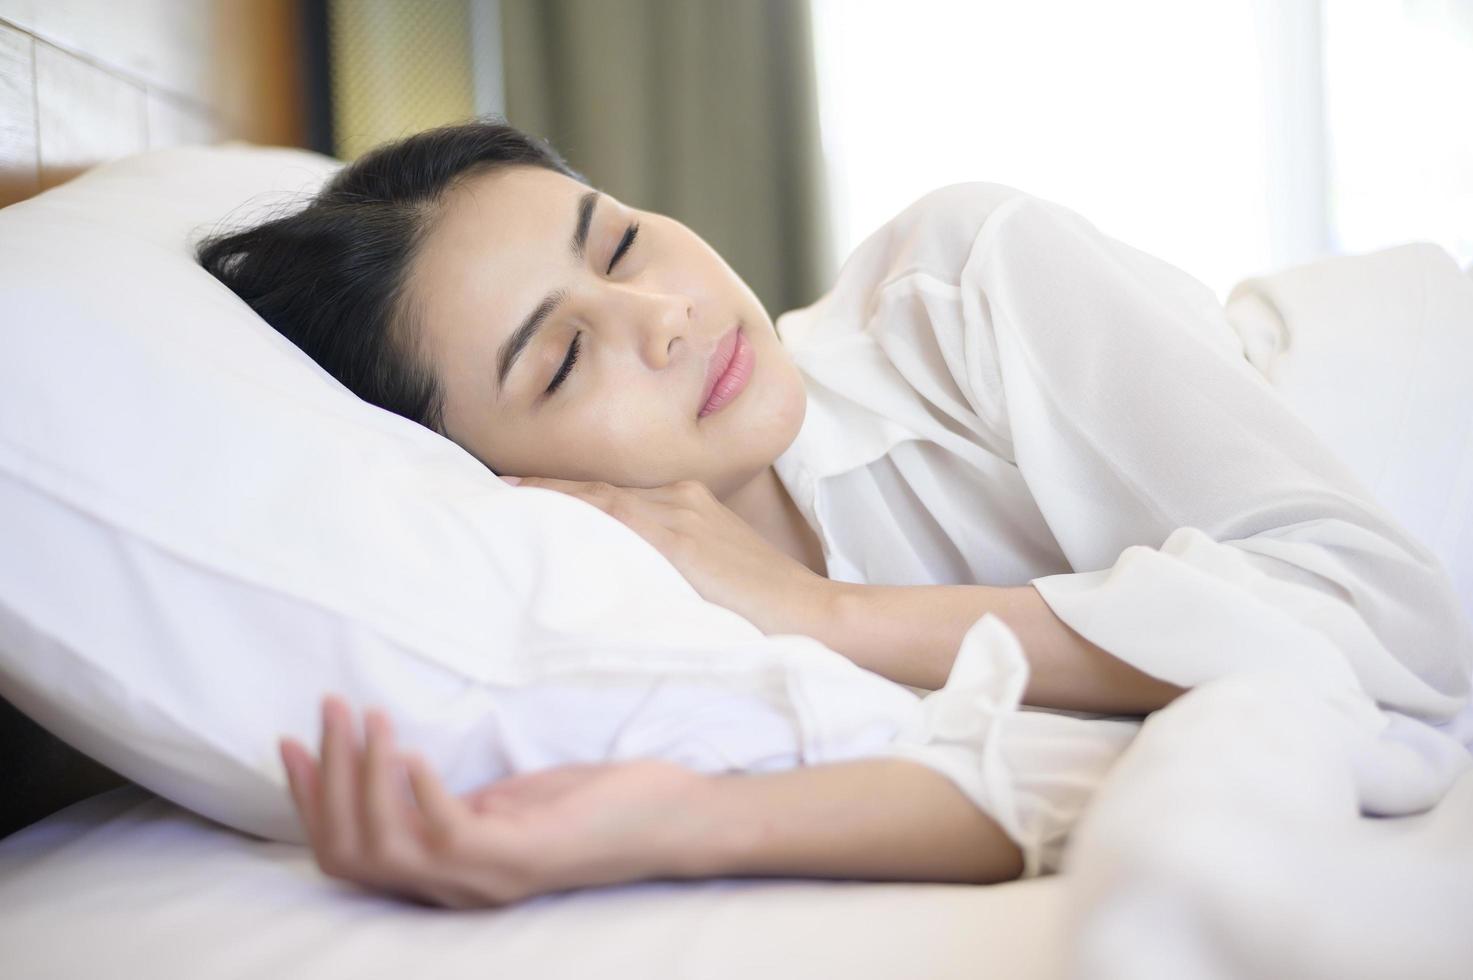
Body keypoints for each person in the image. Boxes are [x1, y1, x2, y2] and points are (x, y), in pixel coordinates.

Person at [198, 119, 1473, 910]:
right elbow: (1064, 763)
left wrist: (833, 613)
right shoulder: (622, 597)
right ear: (489, 473)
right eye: (564, 359)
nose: (665, 316)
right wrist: (660, 827)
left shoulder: (965, 272)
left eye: (623, 243)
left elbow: (1392, 621)